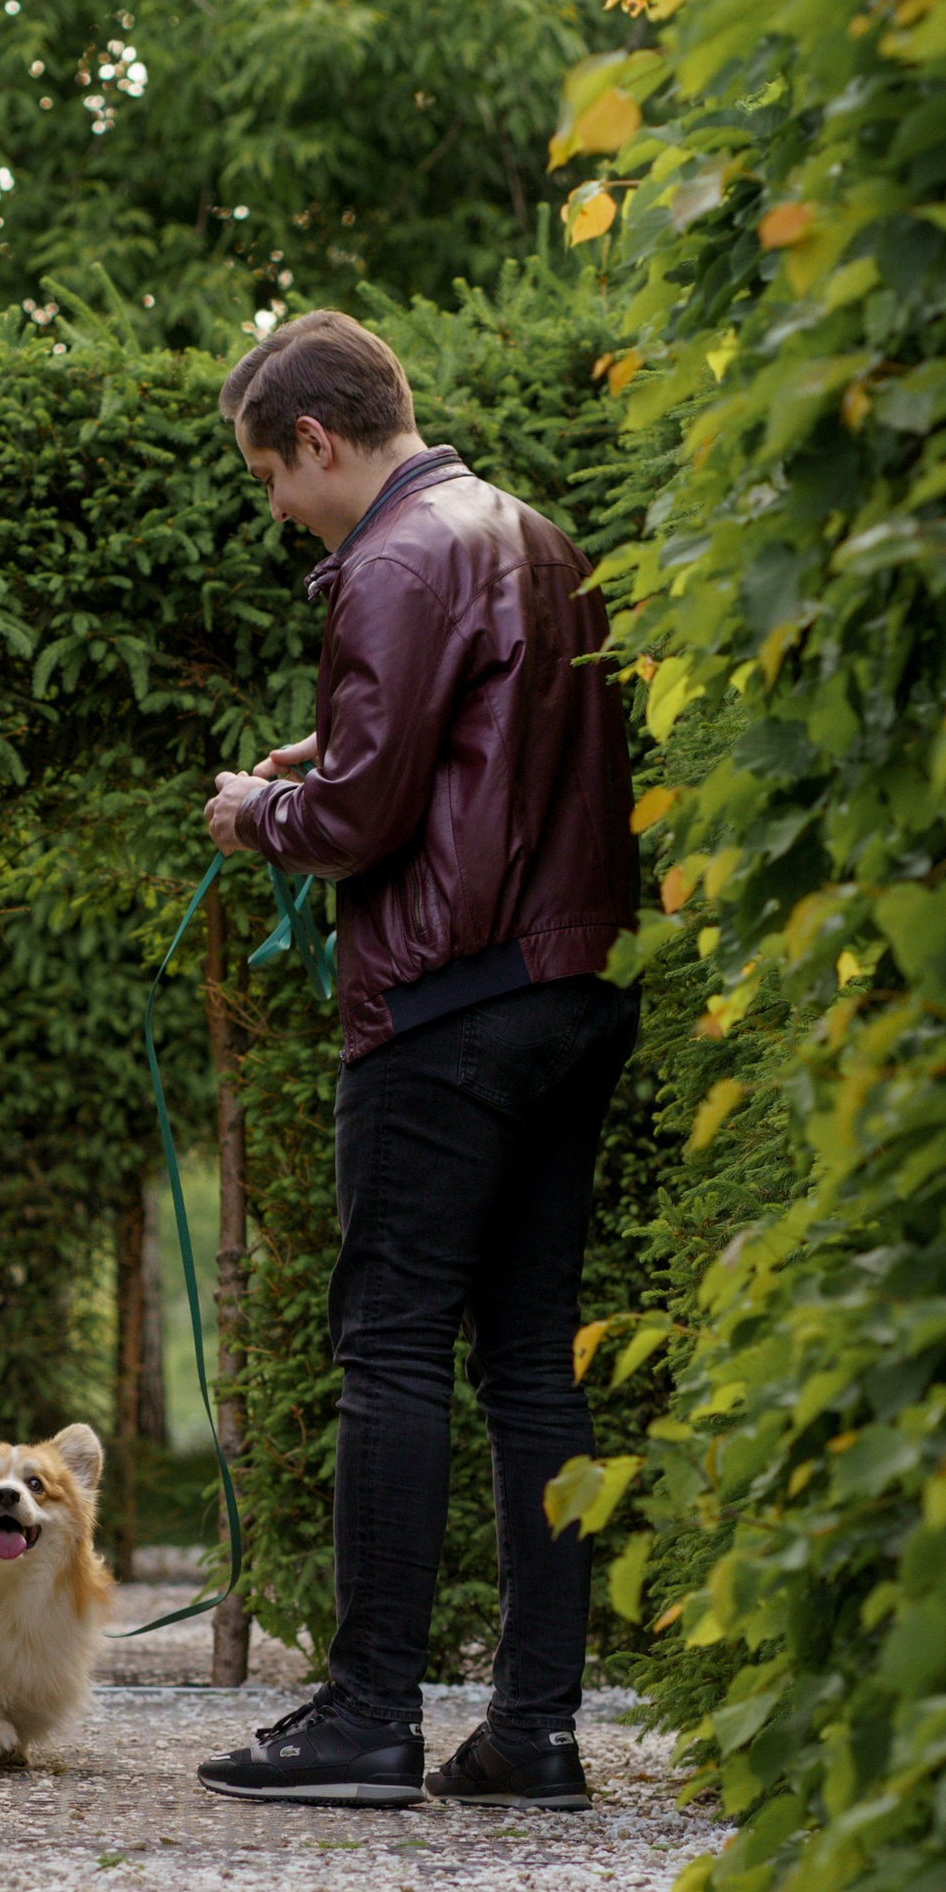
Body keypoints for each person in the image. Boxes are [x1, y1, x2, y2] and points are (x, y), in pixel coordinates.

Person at [195, 311, 640, 1811]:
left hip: (442, 1006)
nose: (276, 508)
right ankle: (537, 1731)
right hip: (571, 987)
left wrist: (260, 812)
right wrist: (331, 762)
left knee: (388, 1347)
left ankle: (367, 1718)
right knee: (532, 1363)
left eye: (271, 476)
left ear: (318, 440)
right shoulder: (538, 535)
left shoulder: (390, 559)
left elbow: (369, 823)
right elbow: (484, 761)